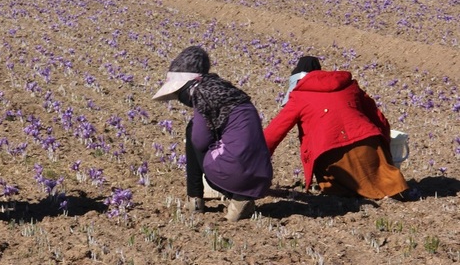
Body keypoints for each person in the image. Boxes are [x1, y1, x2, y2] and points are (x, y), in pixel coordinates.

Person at [152, 46, 273, 221]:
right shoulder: (228, 92)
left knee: (193, 130)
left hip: (235, 173)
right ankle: (240, 197)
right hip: (262, 175)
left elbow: (200, 142)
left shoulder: (202, 93)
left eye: (179, 94)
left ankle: (197, 199)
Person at [264, 56, 409, 199]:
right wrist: (386, 147)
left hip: (332, 157)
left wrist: (253, 160)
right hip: (370, 147)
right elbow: (379, 119)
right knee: (387, 184)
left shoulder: (299, 96)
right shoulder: (349, 86)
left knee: (344, 193)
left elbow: (274, 133)